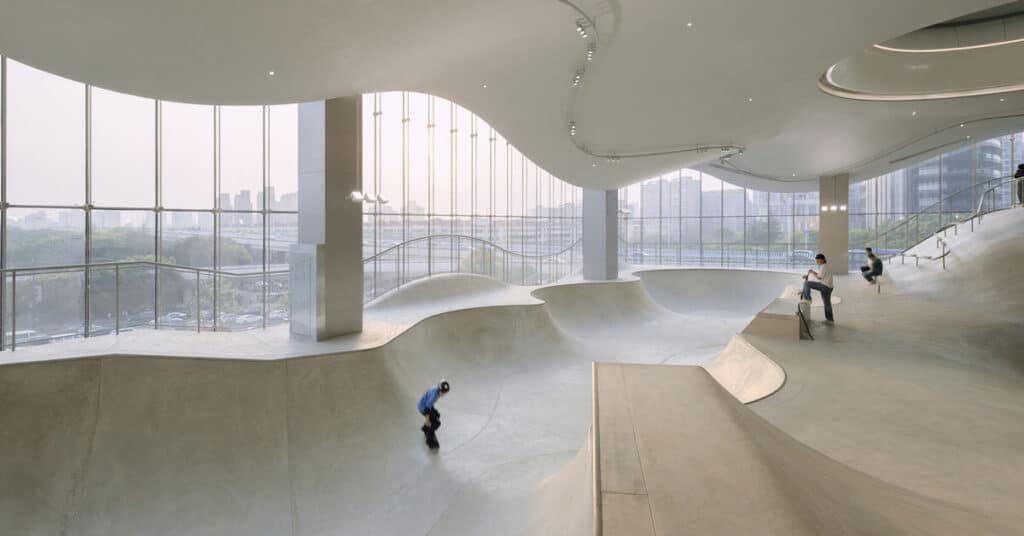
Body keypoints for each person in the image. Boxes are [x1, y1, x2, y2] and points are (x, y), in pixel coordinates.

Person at [417, 379, 450, 450]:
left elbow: (429, 403)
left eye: (445, 393)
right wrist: (427, 420)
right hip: (423, 407)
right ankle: (429, 438)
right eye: (443, 392)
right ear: (439, 389)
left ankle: (425, 428)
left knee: (437, 415)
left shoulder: (436, 389)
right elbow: (426, 409)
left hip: (425, 404)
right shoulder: (435, 395)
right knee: (437, 423)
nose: (443, 394)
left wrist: (434, 411)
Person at [801, 253, 834, 322]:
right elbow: (819, 275)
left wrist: (812, 272)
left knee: (807, 283)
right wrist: (810, 274)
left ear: (823, 260)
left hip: (825, 286)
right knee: (827, 303)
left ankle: (807, 299)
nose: (817, 262)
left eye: (818, 261)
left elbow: (819, 277)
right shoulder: (825, 266)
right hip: (829, 287)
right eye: (817, 261)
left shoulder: (823, 266)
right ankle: (830, 319)